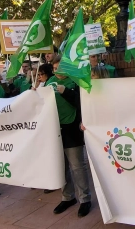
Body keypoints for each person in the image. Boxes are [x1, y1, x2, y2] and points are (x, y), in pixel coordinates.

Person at [48, 56, 92, 218]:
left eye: (61, 68)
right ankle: (67, 197)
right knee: (61, 166)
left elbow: (83, 103)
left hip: (71, 128)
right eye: (55, 68)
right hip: (54, 129)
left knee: (77, 166)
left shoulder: (76, 81)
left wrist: (65, 92)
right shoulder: (48, 82)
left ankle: (84, 199)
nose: (58, 71)